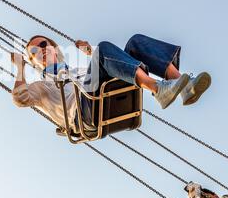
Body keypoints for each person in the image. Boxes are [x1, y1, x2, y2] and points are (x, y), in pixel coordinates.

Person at [11, 34, 211, 131]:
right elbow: (20, 99)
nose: (41, 51)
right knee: (104, 48)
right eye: (34, 53)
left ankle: (184, 87)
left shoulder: (76, 71)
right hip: (83, 112)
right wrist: (20, 68)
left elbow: (110, 64)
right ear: (34, 62)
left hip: (96, 95)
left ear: (54, 48)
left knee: (136, 43)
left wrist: (90, 53)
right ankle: (158, 89)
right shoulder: (42, 86)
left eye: (43, 45)